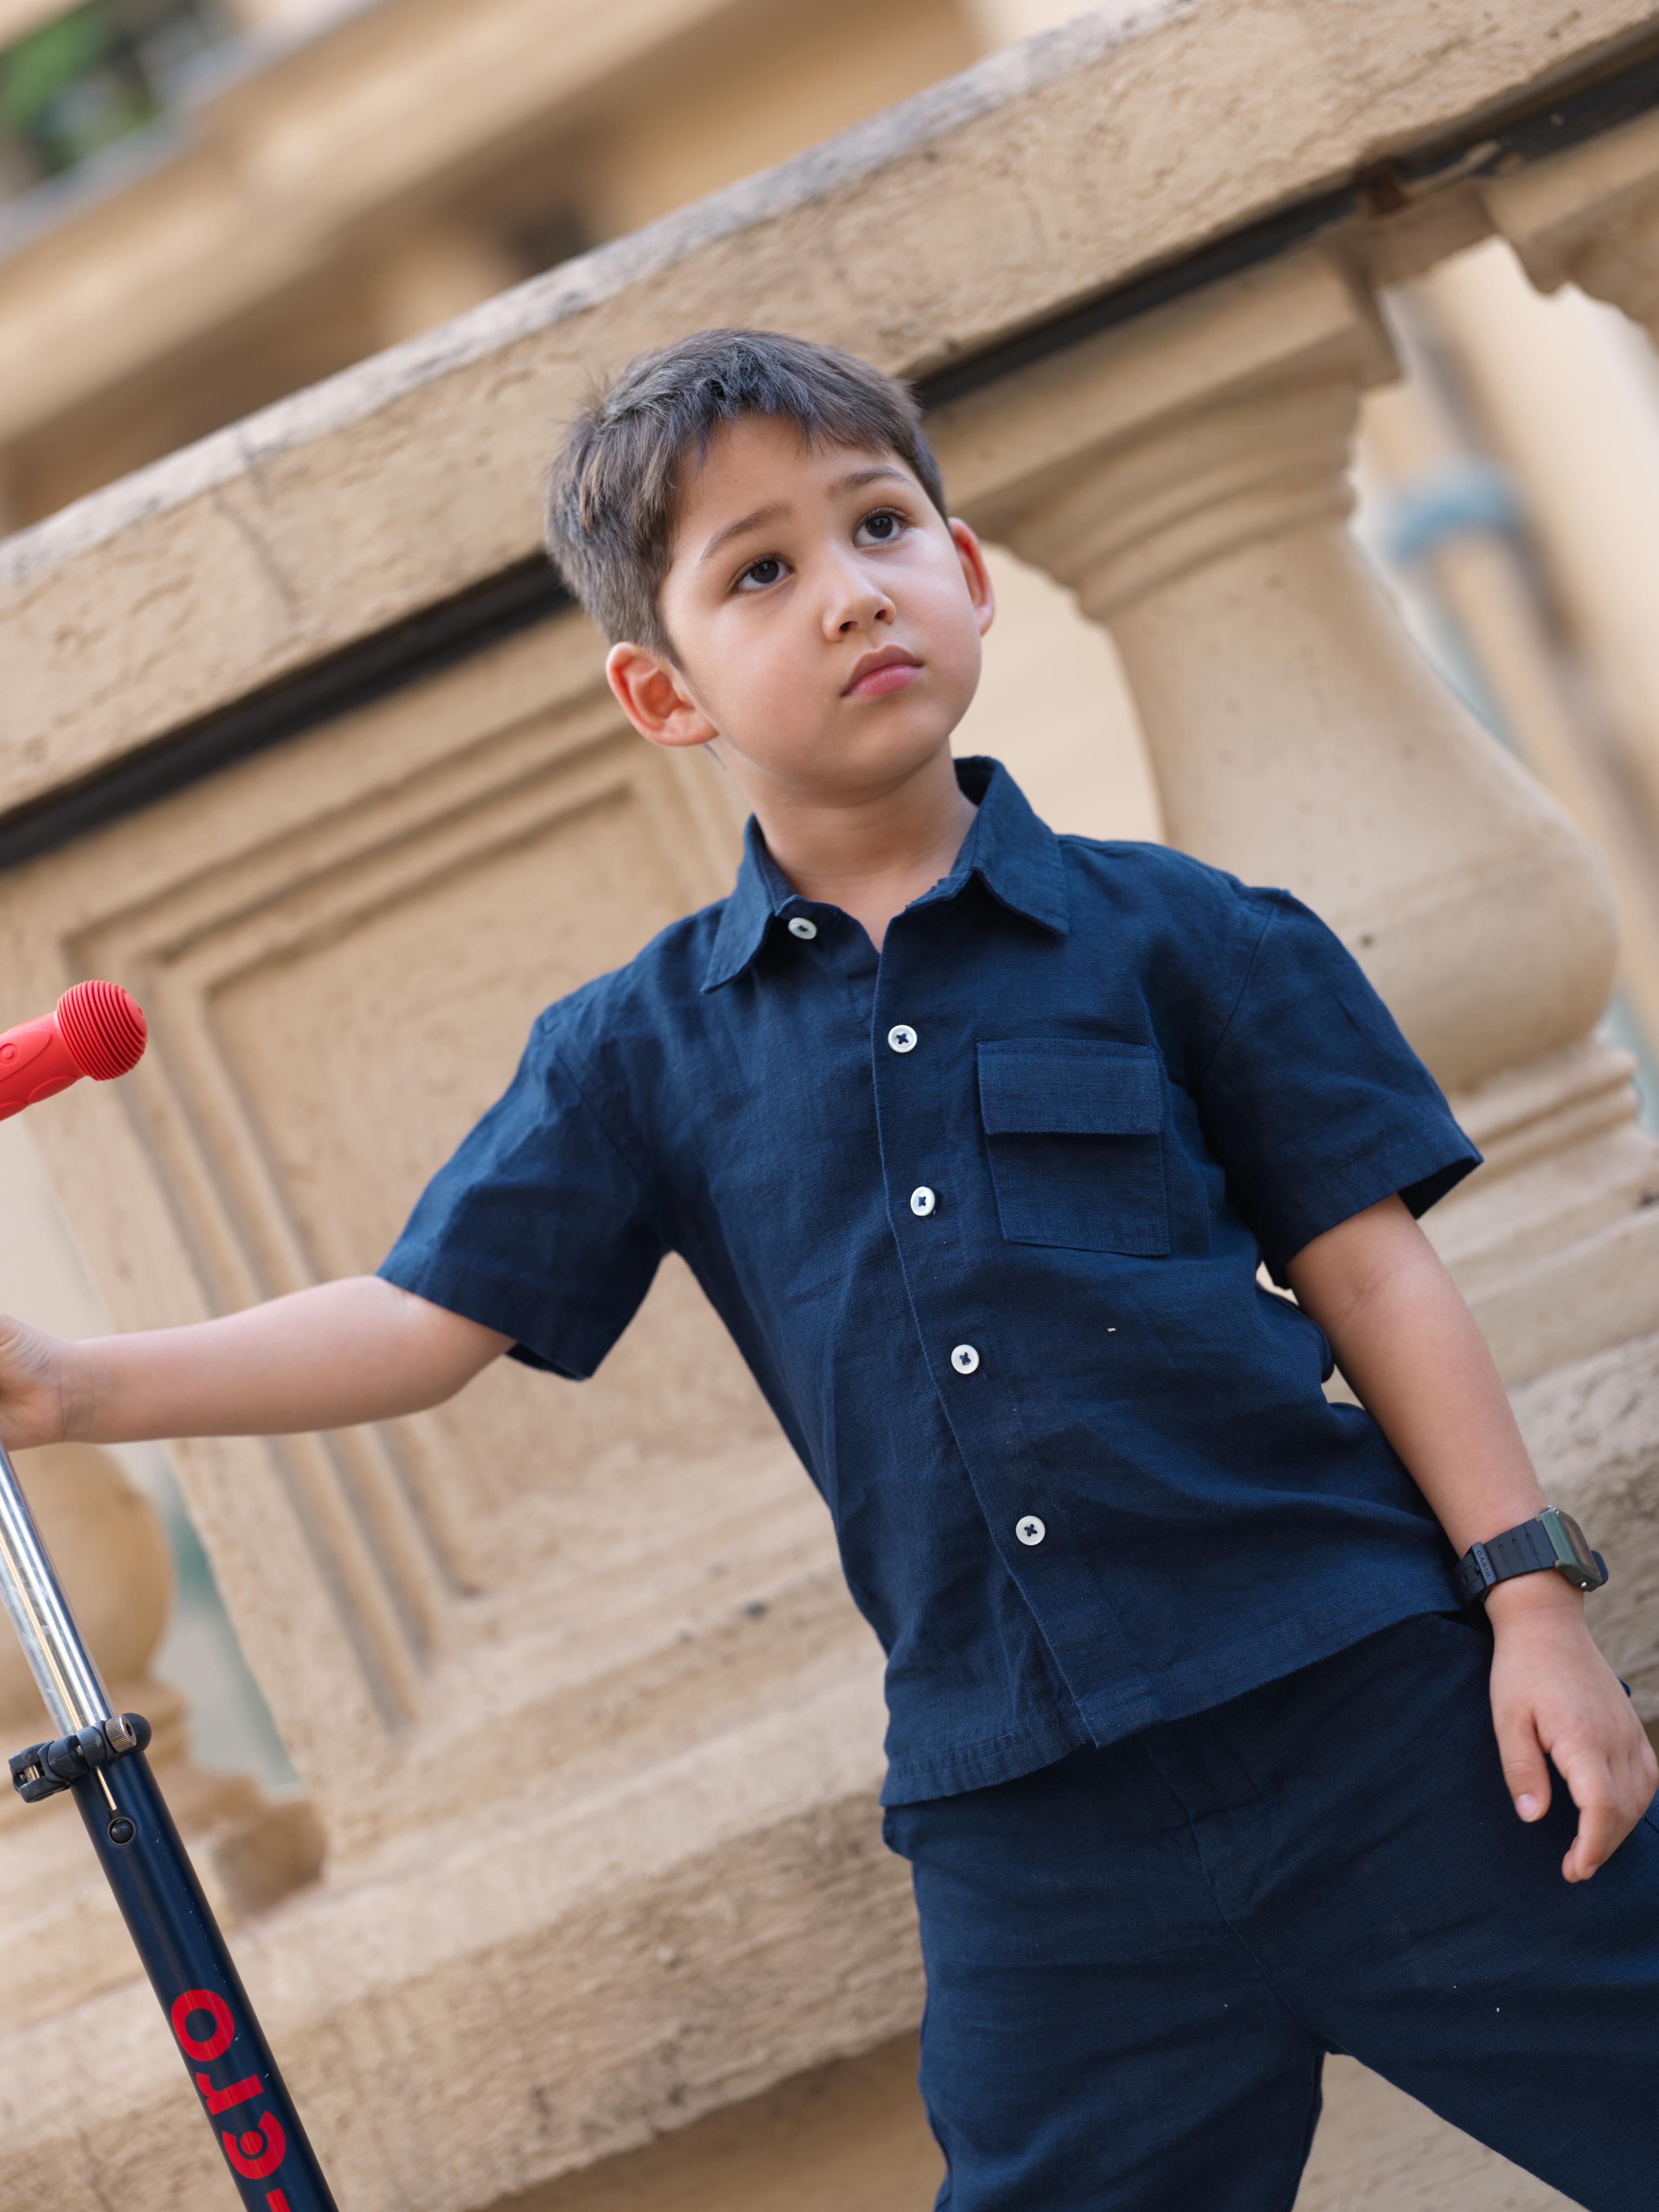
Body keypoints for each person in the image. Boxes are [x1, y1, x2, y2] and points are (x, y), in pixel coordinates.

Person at [3, 330, 1654, 2209]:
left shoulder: (1183, 933)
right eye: (759, 571)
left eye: (880, 525)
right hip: (1033, 1842)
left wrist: (1529, 1609)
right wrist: (72, 1386)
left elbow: (1376, 1283)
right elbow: (419, 1319)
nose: (849, 591)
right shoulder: (636, 1053)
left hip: (1376, 1722)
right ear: (662, 689)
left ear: (962, 569)